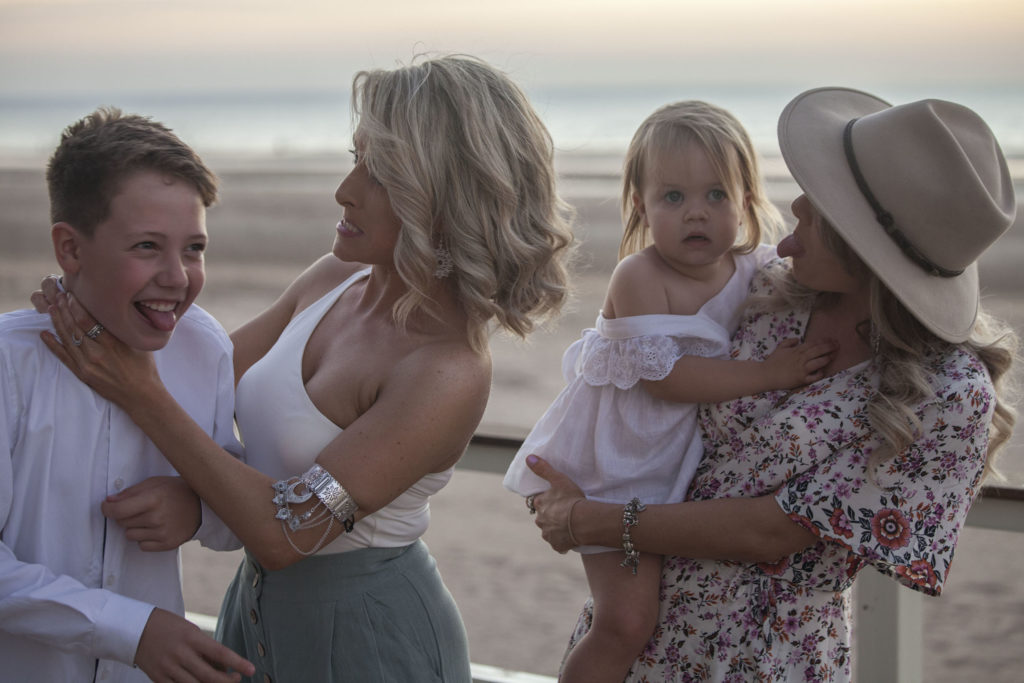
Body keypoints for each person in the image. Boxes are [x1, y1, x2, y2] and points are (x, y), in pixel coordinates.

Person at [41, 55, 574, 682]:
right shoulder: (334, 279)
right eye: (355, 157)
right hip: (255, 615)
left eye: (377, 171)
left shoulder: (445, 371)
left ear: (444, 192)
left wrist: (142, 396)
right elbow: (201, 386)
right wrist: (90, 301)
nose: (345, 188)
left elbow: (282, 533)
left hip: (369, 640)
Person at [526, 87, 1017, 681]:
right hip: (639, 637)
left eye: (810, 223)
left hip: (766, 660)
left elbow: (769, 531)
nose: (782, 241)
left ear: (865, 245)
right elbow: (640, 389)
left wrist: (593, 520)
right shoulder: (769, 294)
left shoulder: (946, 394)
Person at [503, 101, 834, 682]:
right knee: (626, 621)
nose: (696, 215)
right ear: (641, 206)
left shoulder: (754, 269)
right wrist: (772, 374)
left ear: (748, 199)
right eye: (673, 198)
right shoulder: (639, 277)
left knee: (654, 611)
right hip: (616, 466)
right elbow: (670, 380)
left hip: (673, 466)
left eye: (716, 195)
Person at [0, 108, 255, 682]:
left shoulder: (204, 347)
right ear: (70, 250)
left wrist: (195, 507)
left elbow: (231, 518)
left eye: (194, 248)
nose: (177, 275)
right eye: (146, 246)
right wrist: (130, 628)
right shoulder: (9, 365)